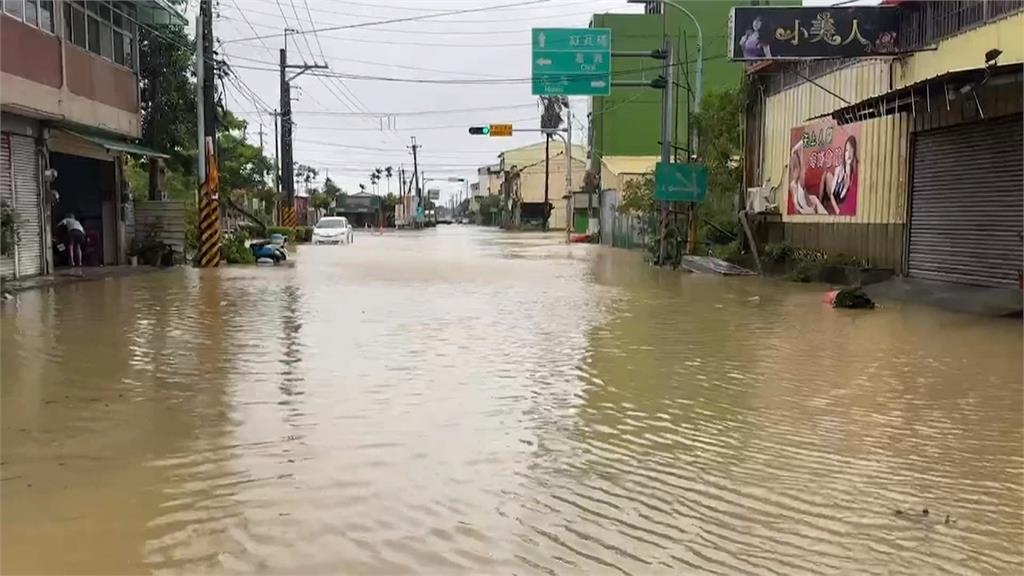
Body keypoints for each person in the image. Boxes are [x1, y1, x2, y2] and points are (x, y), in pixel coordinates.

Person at [820, 135, 859, 215]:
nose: (849, 153)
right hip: (836, 193)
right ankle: (821, 203)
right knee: (826, 175)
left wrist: (845, 187)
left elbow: (846, 193)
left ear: (854, 151)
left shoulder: (855, 168)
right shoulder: (841, 167)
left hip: (842, 197)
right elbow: (833, 191)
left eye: (851, 149)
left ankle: (822, 202)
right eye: (847, 150)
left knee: (826, 176)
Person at [789, 141, 827, 215]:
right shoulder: (793, 185)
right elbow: (797, 209)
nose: (794, 171)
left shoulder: (799, 183)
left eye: (795, 168)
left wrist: (796, 150)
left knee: (813, 200)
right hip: (808, 209)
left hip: (812, 209)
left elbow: (801, 165)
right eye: (793, 168)